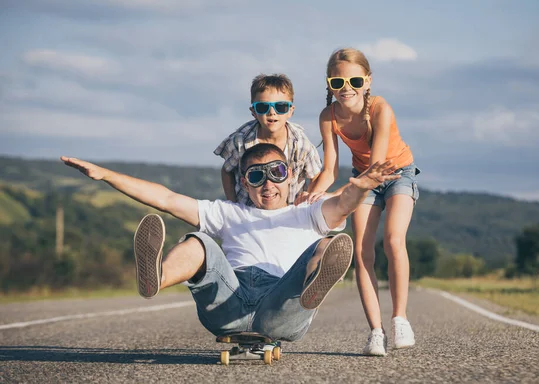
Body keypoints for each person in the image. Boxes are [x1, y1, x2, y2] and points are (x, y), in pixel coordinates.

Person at [60, 143, 400, 343]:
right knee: (199, 242)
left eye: (276, 174)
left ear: (291, 177)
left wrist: (365, 184)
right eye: (256, 176)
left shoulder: (309, 213)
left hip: (279, 305)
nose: (267, 184)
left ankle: (308, 291)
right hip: (229, 299)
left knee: (328, 244)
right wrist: (105, 175)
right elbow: (164, 198)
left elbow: (345, 203)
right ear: (244, 183)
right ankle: (155, 279)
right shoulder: (227, 212)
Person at [303, 48, 420, 356]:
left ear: (367, 81)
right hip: (361, 177)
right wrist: (313, 194)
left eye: (354, 80)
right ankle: (376, 332)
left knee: (394, 241)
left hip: (396, 173)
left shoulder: (381, 109)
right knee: (361, 251)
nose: (346, 88)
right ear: (328, 84)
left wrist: (338, 194)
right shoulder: (328, 117)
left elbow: (378, 167)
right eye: (337, 81)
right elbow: (328, 170)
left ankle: (399, 319)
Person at [215, 74, 322, 206]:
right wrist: (233, 205)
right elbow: (227, 170)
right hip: (249, 210)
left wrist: (306, 203)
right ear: (253, 111)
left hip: (289, 210)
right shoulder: (241, 141)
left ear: (290, 111)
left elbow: (315, 175)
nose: (272, 112)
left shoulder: (300, 143)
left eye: (280, 106)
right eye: (263, 107)